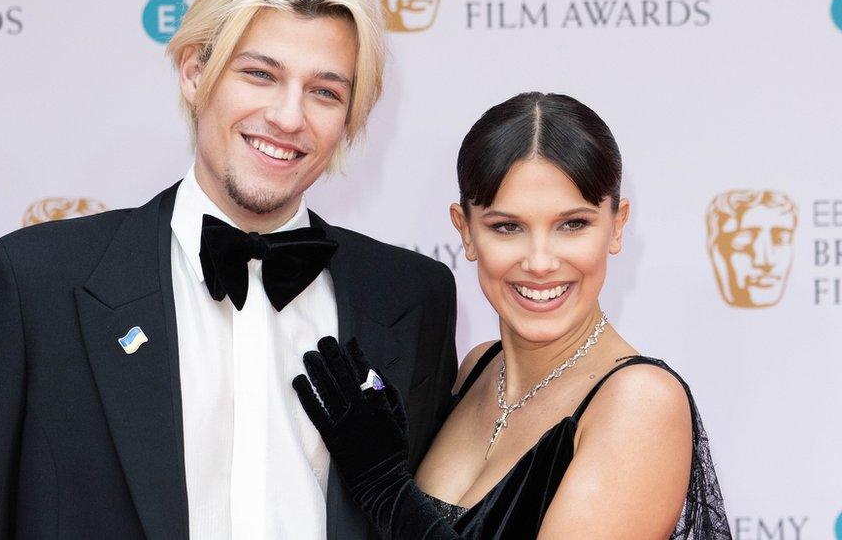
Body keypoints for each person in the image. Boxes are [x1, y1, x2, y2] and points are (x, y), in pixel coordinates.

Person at [0, 0, 458, 540]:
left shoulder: (413, 298)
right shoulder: (38, 284)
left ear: (353, 117)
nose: (287, 117)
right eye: (260, 74)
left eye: (324, 92)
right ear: (195, 71)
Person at [295, 92, 732, 539]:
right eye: (507, 227)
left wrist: (387, 489)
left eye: (573, 224)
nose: (540, 262)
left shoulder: (640, 402)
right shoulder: (477, 369)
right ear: (465, 231)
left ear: (617, 225)